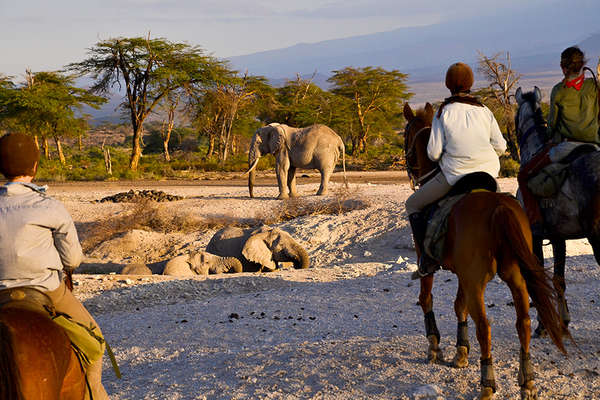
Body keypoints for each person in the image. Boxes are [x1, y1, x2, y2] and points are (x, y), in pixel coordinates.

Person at [0, 133, 109, 400]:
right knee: (95, 343)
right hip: (47, 291)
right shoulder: (49, 207)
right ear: (35, 167)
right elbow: (72, 261)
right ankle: (96, 393)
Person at [406, 62, 507, 279]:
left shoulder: (444, 112)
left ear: (448, 85)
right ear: (470, 84)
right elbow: (501, 146)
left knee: (412, 204)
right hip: (489, 176)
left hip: (455, 176)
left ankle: (426, 259)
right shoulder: (485, 110)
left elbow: (433, 154)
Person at [517, 46, 600, 237]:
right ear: (582, 66)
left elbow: (552, 125)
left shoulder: (559, 91)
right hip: (594, 146)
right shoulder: (593, 86)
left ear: (563, 68)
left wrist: (550, 137)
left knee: (523, 175)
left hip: (567, 146)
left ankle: (536, 223)